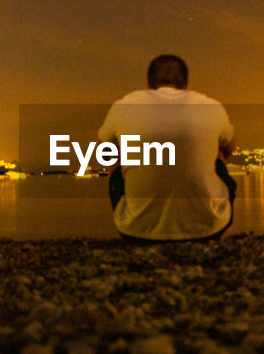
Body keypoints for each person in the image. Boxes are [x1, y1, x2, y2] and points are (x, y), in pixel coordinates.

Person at [98, 54, 236, 242]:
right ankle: (205, 213)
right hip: (208, 230)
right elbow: (229, 149)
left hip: (136, 233)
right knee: (218, 158)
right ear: (187, 85)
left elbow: (105, 155)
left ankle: (138, 214)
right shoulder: (211, 106)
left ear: (149, 86)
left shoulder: (124, 105)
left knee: (117, 164)